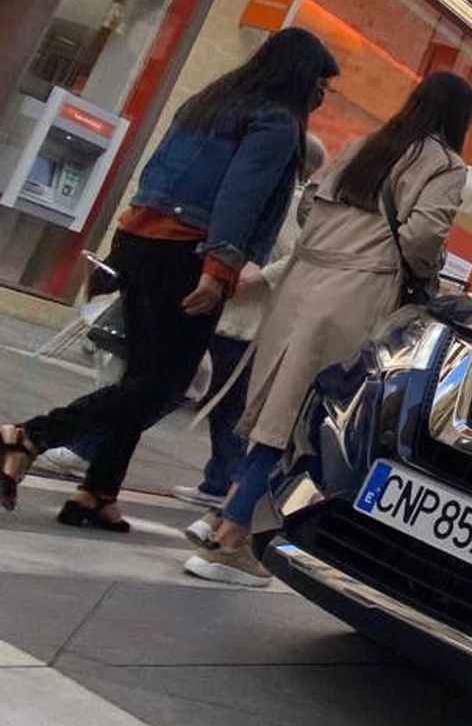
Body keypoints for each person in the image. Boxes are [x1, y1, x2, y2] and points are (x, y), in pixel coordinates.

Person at [1, 29, 338, 527]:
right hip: (191, 255)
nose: (322, 95)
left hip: (141, 238)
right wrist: (219, 269)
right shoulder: (276, 121)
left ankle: (97, 493)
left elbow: (159, 170)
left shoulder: (210, 101)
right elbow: (240, 198)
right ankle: (27, 436)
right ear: (299, 75)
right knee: (164, 385)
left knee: (142, 374)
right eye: (321, 82)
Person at [184, 71, 472, 586]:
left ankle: (221, 515)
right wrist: (424, 274)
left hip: (304, 280)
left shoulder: (367, 143)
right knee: (307, 416)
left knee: (274, 404)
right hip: (356, 290)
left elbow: (306, 206)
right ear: (459, 119)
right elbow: (424, 235)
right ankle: (233, 540)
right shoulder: (444, 164)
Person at [37, 136, 327, 505]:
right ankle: (222, 481)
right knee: (222, 403)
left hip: (231, 315)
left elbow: (296, 253)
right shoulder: (281, 195)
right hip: (239, 318)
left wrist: (257, 274)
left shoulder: (285, 197)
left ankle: (85, 448)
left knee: (163, 389)